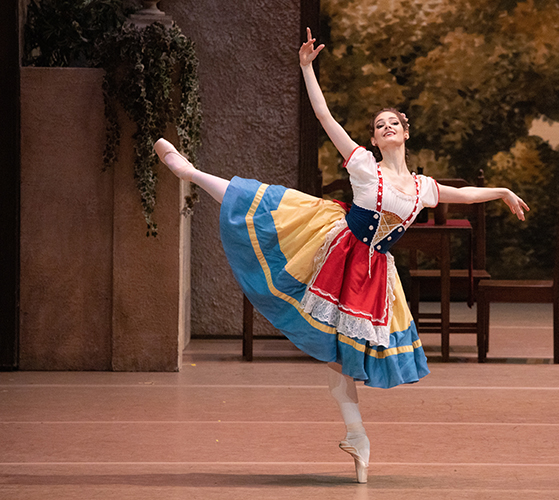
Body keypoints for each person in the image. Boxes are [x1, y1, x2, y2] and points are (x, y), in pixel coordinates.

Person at [154, 28, 529, 484]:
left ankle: (356, 436)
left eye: (393, 123)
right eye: (379, 125)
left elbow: (465, 193)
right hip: (335, 247)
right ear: (373, 139)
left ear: (406, 134)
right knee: (262, 202)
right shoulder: (361, 164)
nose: (386, 128)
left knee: (341, 356)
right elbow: (323, 115)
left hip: (372, 274)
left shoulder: (422, 188)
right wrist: (307, 68)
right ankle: (190, 172)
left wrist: (503, 191)